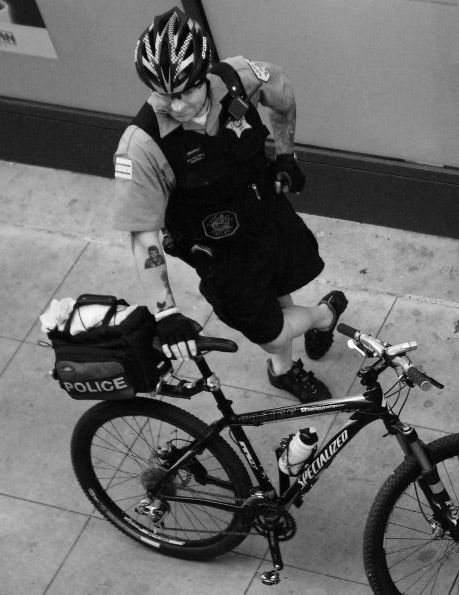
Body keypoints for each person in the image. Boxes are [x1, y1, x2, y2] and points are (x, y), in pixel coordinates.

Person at [112, 8, 346, 403]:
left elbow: (283, 96)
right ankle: (324, 316)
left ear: (204, 73)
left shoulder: (239, 78)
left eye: (187, 90)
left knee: (279, 291)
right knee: (269, 330)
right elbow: (144, 235)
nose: (179, 105)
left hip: (266, 216)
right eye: (165, 95)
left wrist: (287, 155)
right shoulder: (142, 145)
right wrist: (166, 312)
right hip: (220, 252)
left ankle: (284, 371)